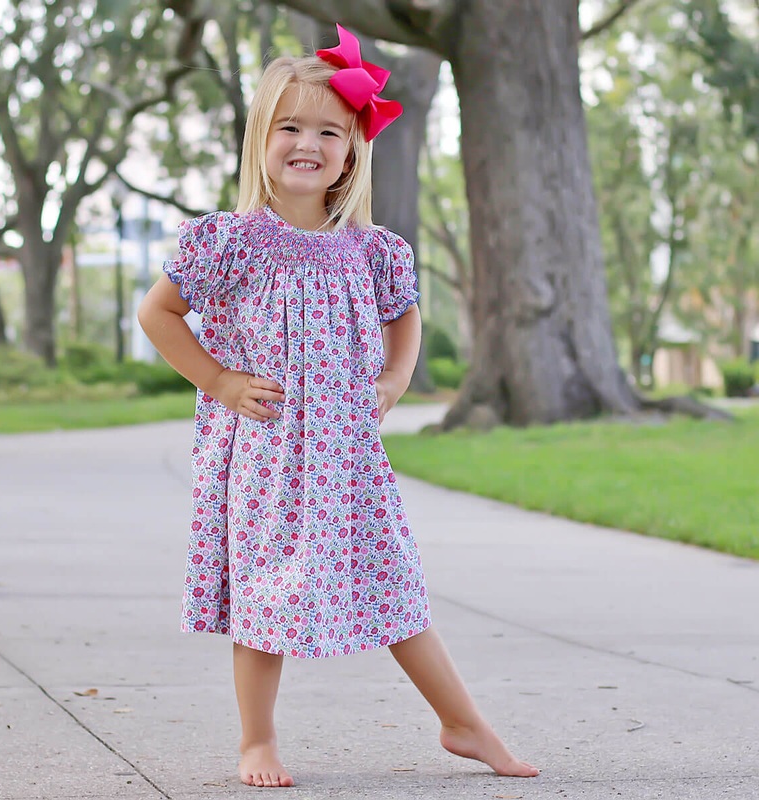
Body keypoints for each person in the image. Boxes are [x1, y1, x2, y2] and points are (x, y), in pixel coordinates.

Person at [138, 24, 539, 789]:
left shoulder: (372, 249)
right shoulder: (229, 243)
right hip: (267, 452)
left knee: (396, 586)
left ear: (352, 150)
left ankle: (463, 723)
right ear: (262, 138)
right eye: (290, 127)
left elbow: (404, 317)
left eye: (329, 131)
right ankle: (257, 740)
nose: (308, 144)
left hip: (348, 456)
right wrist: (219, 380)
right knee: (265, 596)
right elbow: (158, 313)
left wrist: (393, 381)